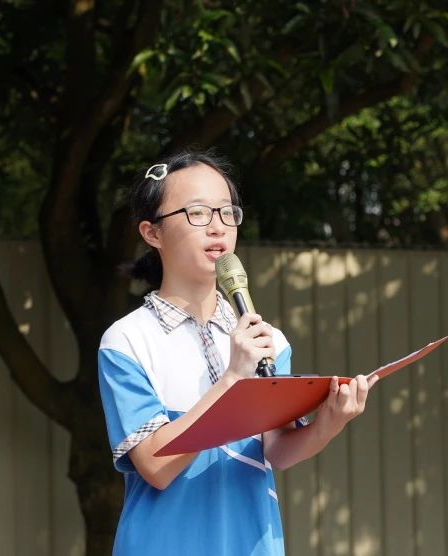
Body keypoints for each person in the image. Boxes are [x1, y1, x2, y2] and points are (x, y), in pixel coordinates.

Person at [98, 150, 377, 555]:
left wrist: (329, 423)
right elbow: (155, 466)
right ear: (152, 233)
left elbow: (277, 451)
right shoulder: (128, 341)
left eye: (227, 213)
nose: (218, 227)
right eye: (197, 213)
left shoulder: (268, 341)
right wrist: (231, 379)